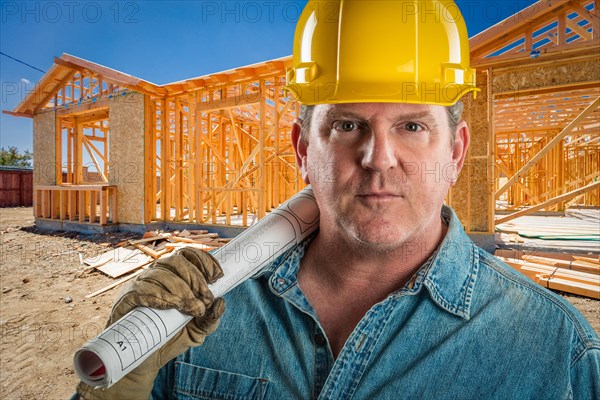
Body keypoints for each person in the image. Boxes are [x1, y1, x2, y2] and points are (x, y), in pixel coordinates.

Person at [76, 1, 599, 399]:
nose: (377, 158)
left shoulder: (556, 354)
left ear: (457, 152)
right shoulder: (197, 318)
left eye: (412, 125)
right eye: (347, 125)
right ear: (303, 150)